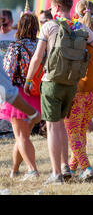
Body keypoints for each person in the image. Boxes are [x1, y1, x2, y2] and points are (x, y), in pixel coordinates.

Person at [24, 0, 93, 185]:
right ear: (70, 7)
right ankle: (65, 165)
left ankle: (56, 174)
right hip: (72, 84)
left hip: (52, 83)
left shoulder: (49, 26)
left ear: (56, 7)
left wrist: (29, 80)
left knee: (54, 127)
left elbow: (38, 57)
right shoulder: (79, 26)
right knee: (64, 126)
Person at [64, 0, 93, 181]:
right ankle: (71, 168)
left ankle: (86, 168)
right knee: (81, 129)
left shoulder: (75, 33)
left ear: (77, 13)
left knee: (73, 131)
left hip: (77, 91)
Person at [0, 9, 41, 180]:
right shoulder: (41, 45)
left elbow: (7, 74)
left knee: (21, 136)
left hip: (19, 95)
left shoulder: (15, 47)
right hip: (37, 94)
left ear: (20, 28)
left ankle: (32, 170)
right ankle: (15, 170)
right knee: (22, 136)